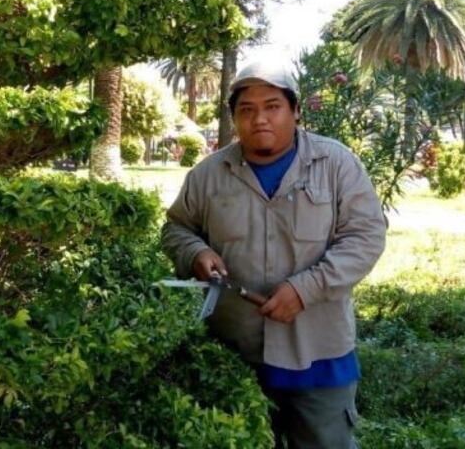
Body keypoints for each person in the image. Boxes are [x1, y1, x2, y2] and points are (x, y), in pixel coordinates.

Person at [161, 56, 386, 449]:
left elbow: (366, 236)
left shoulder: (336, 165)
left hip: (318, 355)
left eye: (272, 107)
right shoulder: (208, 175)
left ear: (296, 111)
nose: (259, 119)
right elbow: (176, 227)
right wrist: (195, 252)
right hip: (234, 355)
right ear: (234, 118)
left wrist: (306, 289)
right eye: (246, 110)